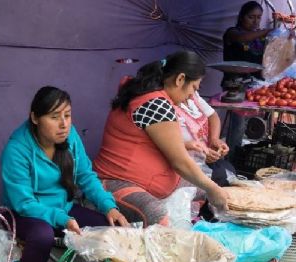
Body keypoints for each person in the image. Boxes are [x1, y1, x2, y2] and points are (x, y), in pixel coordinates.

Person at [1, 86, 128, 262]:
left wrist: (109, 207)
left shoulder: (70, 137)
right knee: (42, 234)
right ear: (35, 118)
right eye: (54, 117)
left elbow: (86, 176)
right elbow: (24, 202)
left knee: (106, 227)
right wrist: (61, 218)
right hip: (26, 213)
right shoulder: (17, 150)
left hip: (63, 208)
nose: (64, 124)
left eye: (67, 115)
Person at [93, 50, 229, 227]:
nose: (191, 96)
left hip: (148, 180)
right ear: (180, 79)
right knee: (157, 214)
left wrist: (211, 188)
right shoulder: (155, 104)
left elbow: (155, 142)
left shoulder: (149, 95)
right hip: (113, 182)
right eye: (193, 88)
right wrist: (212, 188)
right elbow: (179, 162)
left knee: (213, 192)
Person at [222, 1, 272, 157]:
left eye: (259, 17)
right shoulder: (232, 33)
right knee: (238, 126)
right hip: (236, 86)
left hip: (257, 88)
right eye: (251, 17)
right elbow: (242, 38)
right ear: (242, 17)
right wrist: (266, 31)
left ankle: (245, 158)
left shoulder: (260, 39)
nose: (256, 21)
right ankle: (230, 161)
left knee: (255, 128)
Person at [174, 91, 234, 186]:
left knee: (229, 170)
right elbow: (170, 145)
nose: (196, 89)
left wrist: (214, 139)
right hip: (186, 164)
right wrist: (199, 152)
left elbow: (212, 116)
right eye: (193, 86)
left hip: (203, 159)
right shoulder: (166, 106)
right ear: (180, 80)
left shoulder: (193, 95)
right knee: (221, 177)